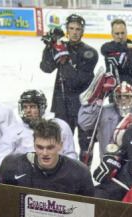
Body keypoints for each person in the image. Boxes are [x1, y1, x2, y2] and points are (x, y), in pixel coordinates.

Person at [40, 15, 98, 157]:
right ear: (67, 30)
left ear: (83, 31)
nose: (74, 32)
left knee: (86, 146)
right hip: (62, 104)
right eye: (71, 28)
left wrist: (63, 57)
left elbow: (77, 81)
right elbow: (46, 68)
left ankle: (84, 174)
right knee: (61, 143)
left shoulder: (90, 53)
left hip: (82, 106)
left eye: (78, 29)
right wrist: (49, 48)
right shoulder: (61, 46)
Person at [0, 89, 76, 167]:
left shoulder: (61, 126)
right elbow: (0, 159)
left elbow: (70, 155)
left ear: (42, 108)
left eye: (32, 106)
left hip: (55, 174)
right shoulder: (13, 131)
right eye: (25, 107)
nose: (28, 111)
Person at [78, 81, 132, 160]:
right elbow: (85, 123)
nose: (123, 100)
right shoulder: (104, 111)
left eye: (127, 96)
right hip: (108, 162)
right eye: (119, 97)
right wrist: (97, 99)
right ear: (114, 98)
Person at [100, 18, 132, 107]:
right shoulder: (108, 48)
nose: (120, 36)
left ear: (126, 32)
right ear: (112, 34)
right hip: (116, 94)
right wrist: (126, 47)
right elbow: (104, 49)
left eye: (123, 33)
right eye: (117, 33)